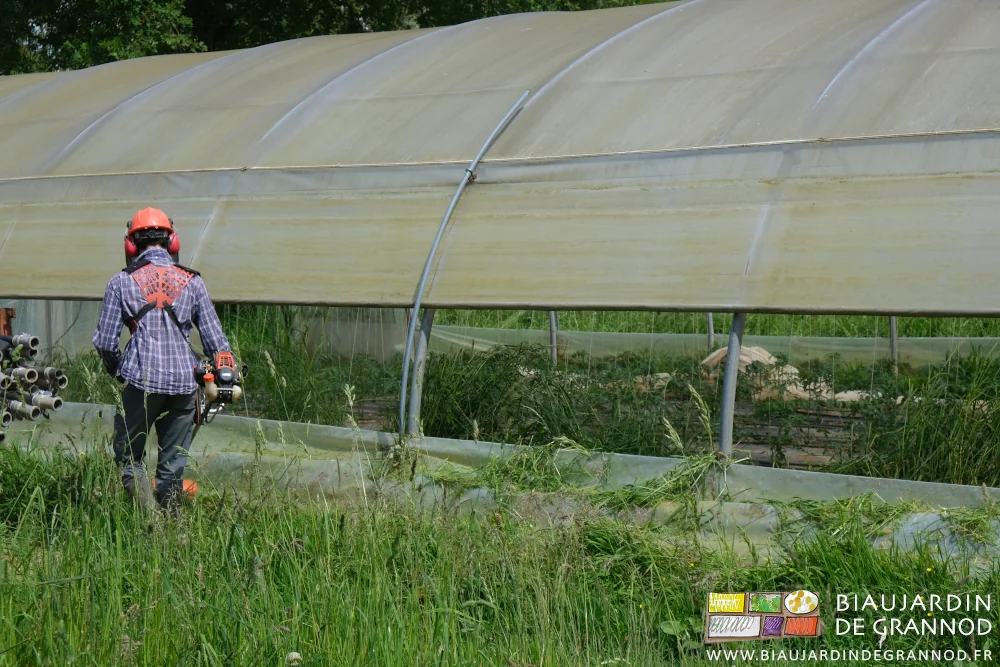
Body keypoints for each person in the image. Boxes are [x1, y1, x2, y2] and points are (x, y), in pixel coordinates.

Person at [93, 207, 231, 514]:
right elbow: (217, 344)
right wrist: (224, 374)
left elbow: (104, 342)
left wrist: (119, 370)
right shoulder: (192, 281)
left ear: (131, 245)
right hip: (185, 384)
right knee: (173, 462)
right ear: (173, 242)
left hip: (141, 382)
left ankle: (150, 525)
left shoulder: (120, 282)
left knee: (129, 457)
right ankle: (173, 531)